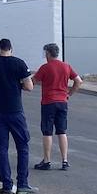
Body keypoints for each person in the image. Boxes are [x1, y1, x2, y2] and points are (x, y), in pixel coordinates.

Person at [0, 38, 36, 194]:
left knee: (2, 149)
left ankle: (6, 185)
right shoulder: (19, 63)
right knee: (22, 147)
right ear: (11, 49)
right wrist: (18, 84)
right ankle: (23, 184)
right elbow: (29, 86)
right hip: (16, 111)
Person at [32, 42, 82, 171]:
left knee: (47, 131)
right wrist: (69, 94)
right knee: (62, 131)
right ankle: (64, 160)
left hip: (48, 102)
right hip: (62, 102)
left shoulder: (45, 67)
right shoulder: (66, 66)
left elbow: (32, 81)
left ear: (48, 53)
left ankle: (47, 160)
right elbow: (78, 80)